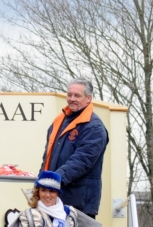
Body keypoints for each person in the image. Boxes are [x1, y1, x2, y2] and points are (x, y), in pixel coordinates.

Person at [39, 79, 107, 217]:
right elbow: (48, 156)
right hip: (55, 199)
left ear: (89, 98)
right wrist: (41, 182)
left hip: (78, 204)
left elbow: (82, 160)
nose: (72, 99)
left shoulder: (94, 127)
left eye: (77, 96)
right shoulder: (60, 121)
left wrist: (53, 181)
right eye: (69, 95)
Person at [0, 170, 101, 227]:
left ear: (57, 193)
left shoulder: (69, 212)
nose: (47, 195)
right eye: (43, 190)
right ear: (38, 192)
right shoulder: (31, 215)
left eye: (52, 191)